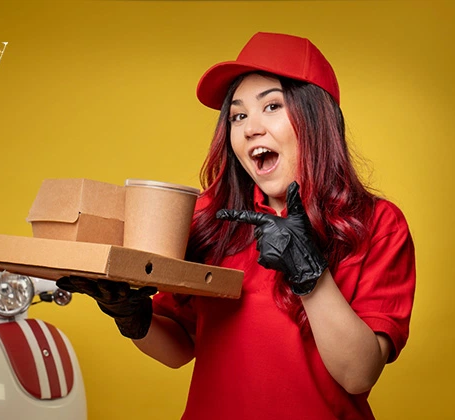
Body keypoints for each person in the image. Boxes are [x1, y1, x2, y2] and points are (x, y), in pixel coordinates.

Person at [57, 32, 416, 419]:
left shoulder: (376, 223)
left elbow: (358, 375)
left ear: (318, 119)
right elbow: (180, 347)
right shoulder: (212, 218)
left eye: (272, 106)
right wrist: (133, 317)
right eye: (238, 115)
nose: (250, 129)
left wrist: (308, 272)